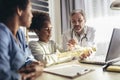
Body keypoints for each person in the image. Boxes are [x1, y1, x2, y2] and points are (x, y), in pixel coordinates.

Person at [29, 11, 93, 67]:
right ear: (37, 31)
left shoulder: (52, 43)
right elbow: (44, 61)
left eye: (51, 28)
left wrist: (69, 51)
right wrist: (61, 55)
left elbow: (69, 55)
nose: (50, 32)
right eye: (46, 29)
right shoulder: (33, 44)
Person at [0, 0, 44, 80]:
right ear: (19, 10)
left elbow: (27, 55)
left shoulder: (20, 33)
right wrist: (23, 76)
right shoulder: (2, 34)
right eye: (30, 10)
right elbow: (3, 75)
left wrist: (34, 64)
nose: (32, 15)